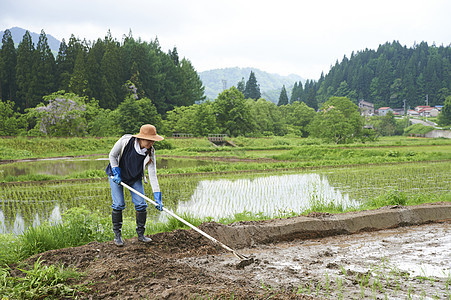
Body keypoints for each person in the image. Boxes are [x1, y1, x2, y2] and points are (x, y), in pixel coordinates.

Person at [105, 124, 164, 247]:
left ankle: (141, 235)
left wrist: (157, 196)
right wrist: (116, 171)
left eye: (153, 141)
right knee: (119, 204)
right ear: (141, 138)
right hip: (117, 176)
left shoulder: (151, 152)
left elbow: (152, 174)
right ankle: (117, 236)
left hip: (134, 177)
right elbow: (112, 155)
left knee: (141, 204)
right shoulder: (125, 141)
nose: (151, 143)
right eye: (148, 140)